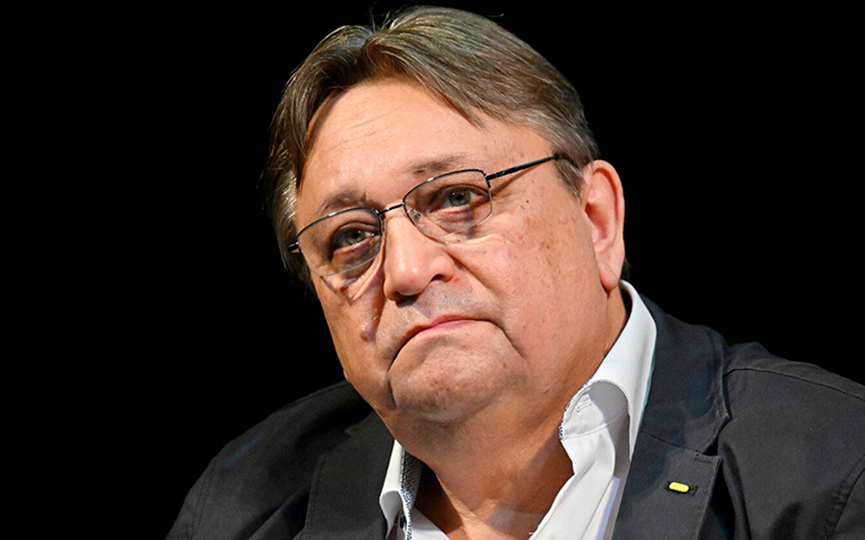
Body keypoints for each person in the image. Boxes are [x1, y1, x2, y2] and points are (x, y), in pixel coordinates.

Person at [167, 6, 864, 539]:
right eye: (351, 236)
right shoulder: (245, 507)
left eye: (456, 199)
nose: (405, 270)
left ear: (595, 219)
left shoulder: (833, 471)